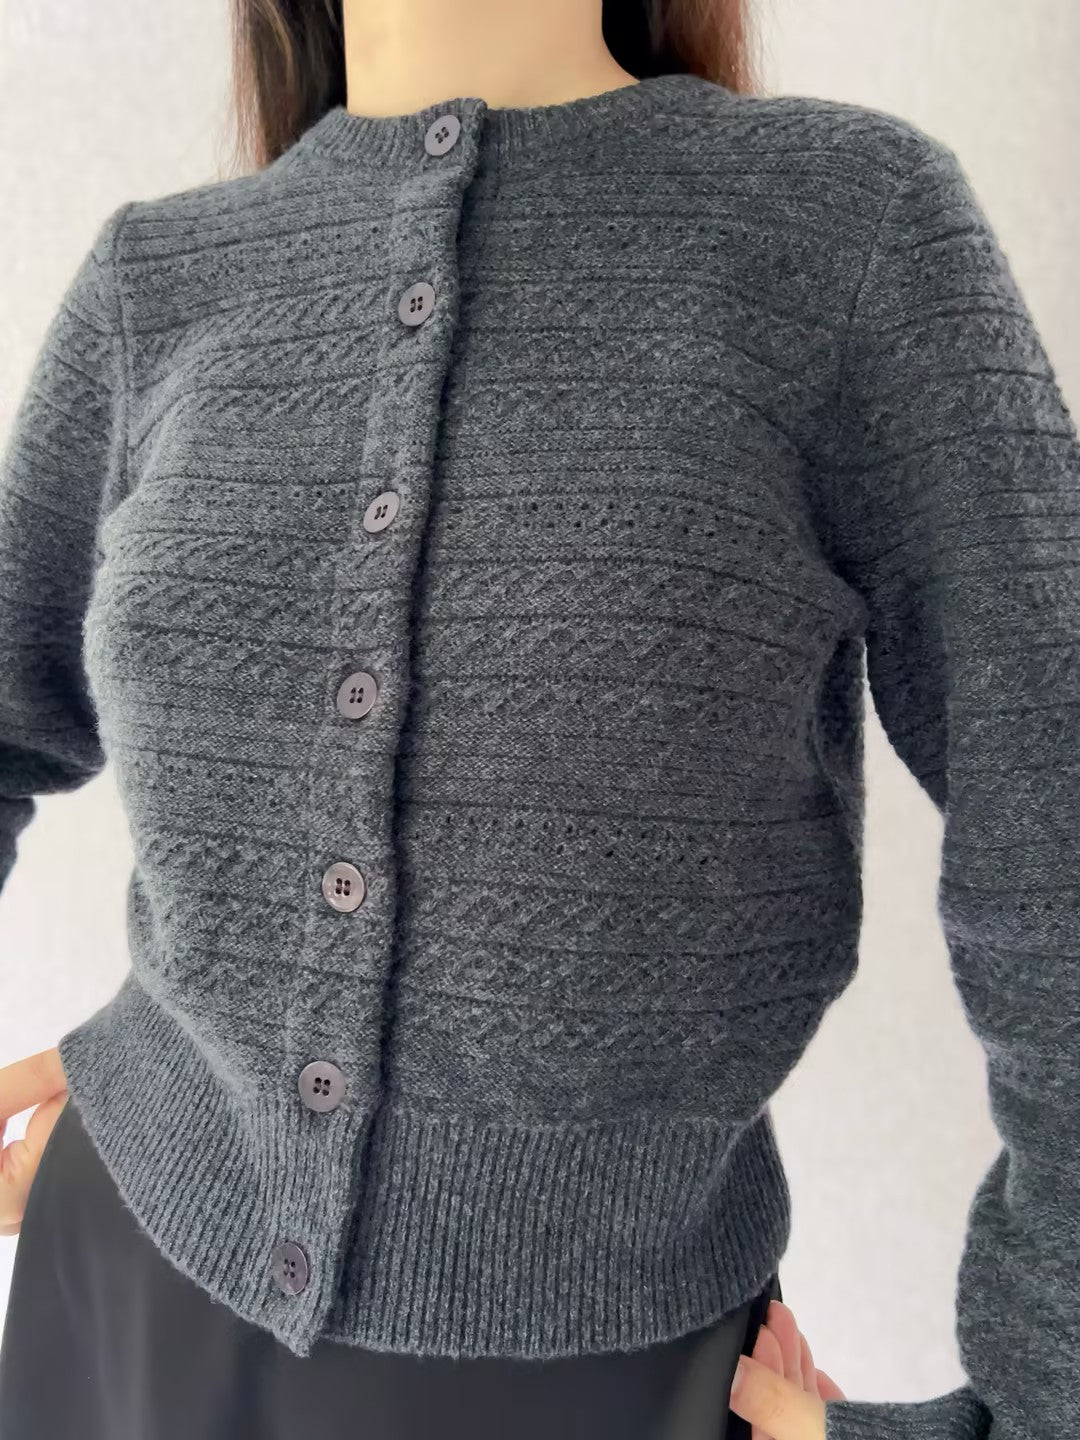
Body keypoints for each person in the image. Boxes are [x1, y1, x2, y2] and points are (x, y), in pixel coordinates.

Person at [1, 1, 1077, 1438]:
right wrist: (176, 1091)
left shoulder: (845, 232)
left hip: (597, 1374)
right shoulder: (159, 282)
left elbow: (1051, 812)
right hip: (120, 1274)